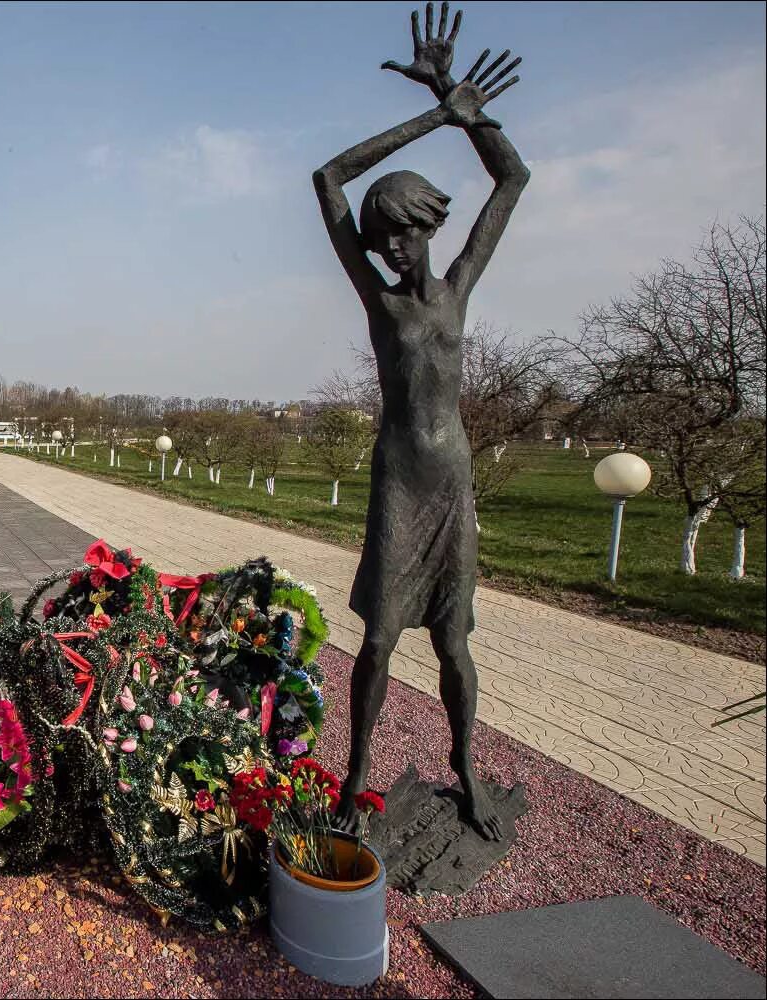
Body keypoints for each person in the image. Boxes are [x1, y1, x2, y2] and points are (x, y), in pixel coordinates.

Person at [312, 3, 528, 839]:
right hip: (401, 482)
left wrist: (469, 115)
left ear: (425, 226)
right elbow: (328, 179)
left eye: (400, 236)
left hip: (456, 481)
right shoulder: (381, 301)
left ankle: (465, 768)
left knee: (454, 645)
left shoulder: (457, 286)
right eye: (381, 241)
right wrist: (435, 114)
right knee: (378, 644)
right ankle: (356, 774)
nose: (392, 252)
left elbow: (512, 181)